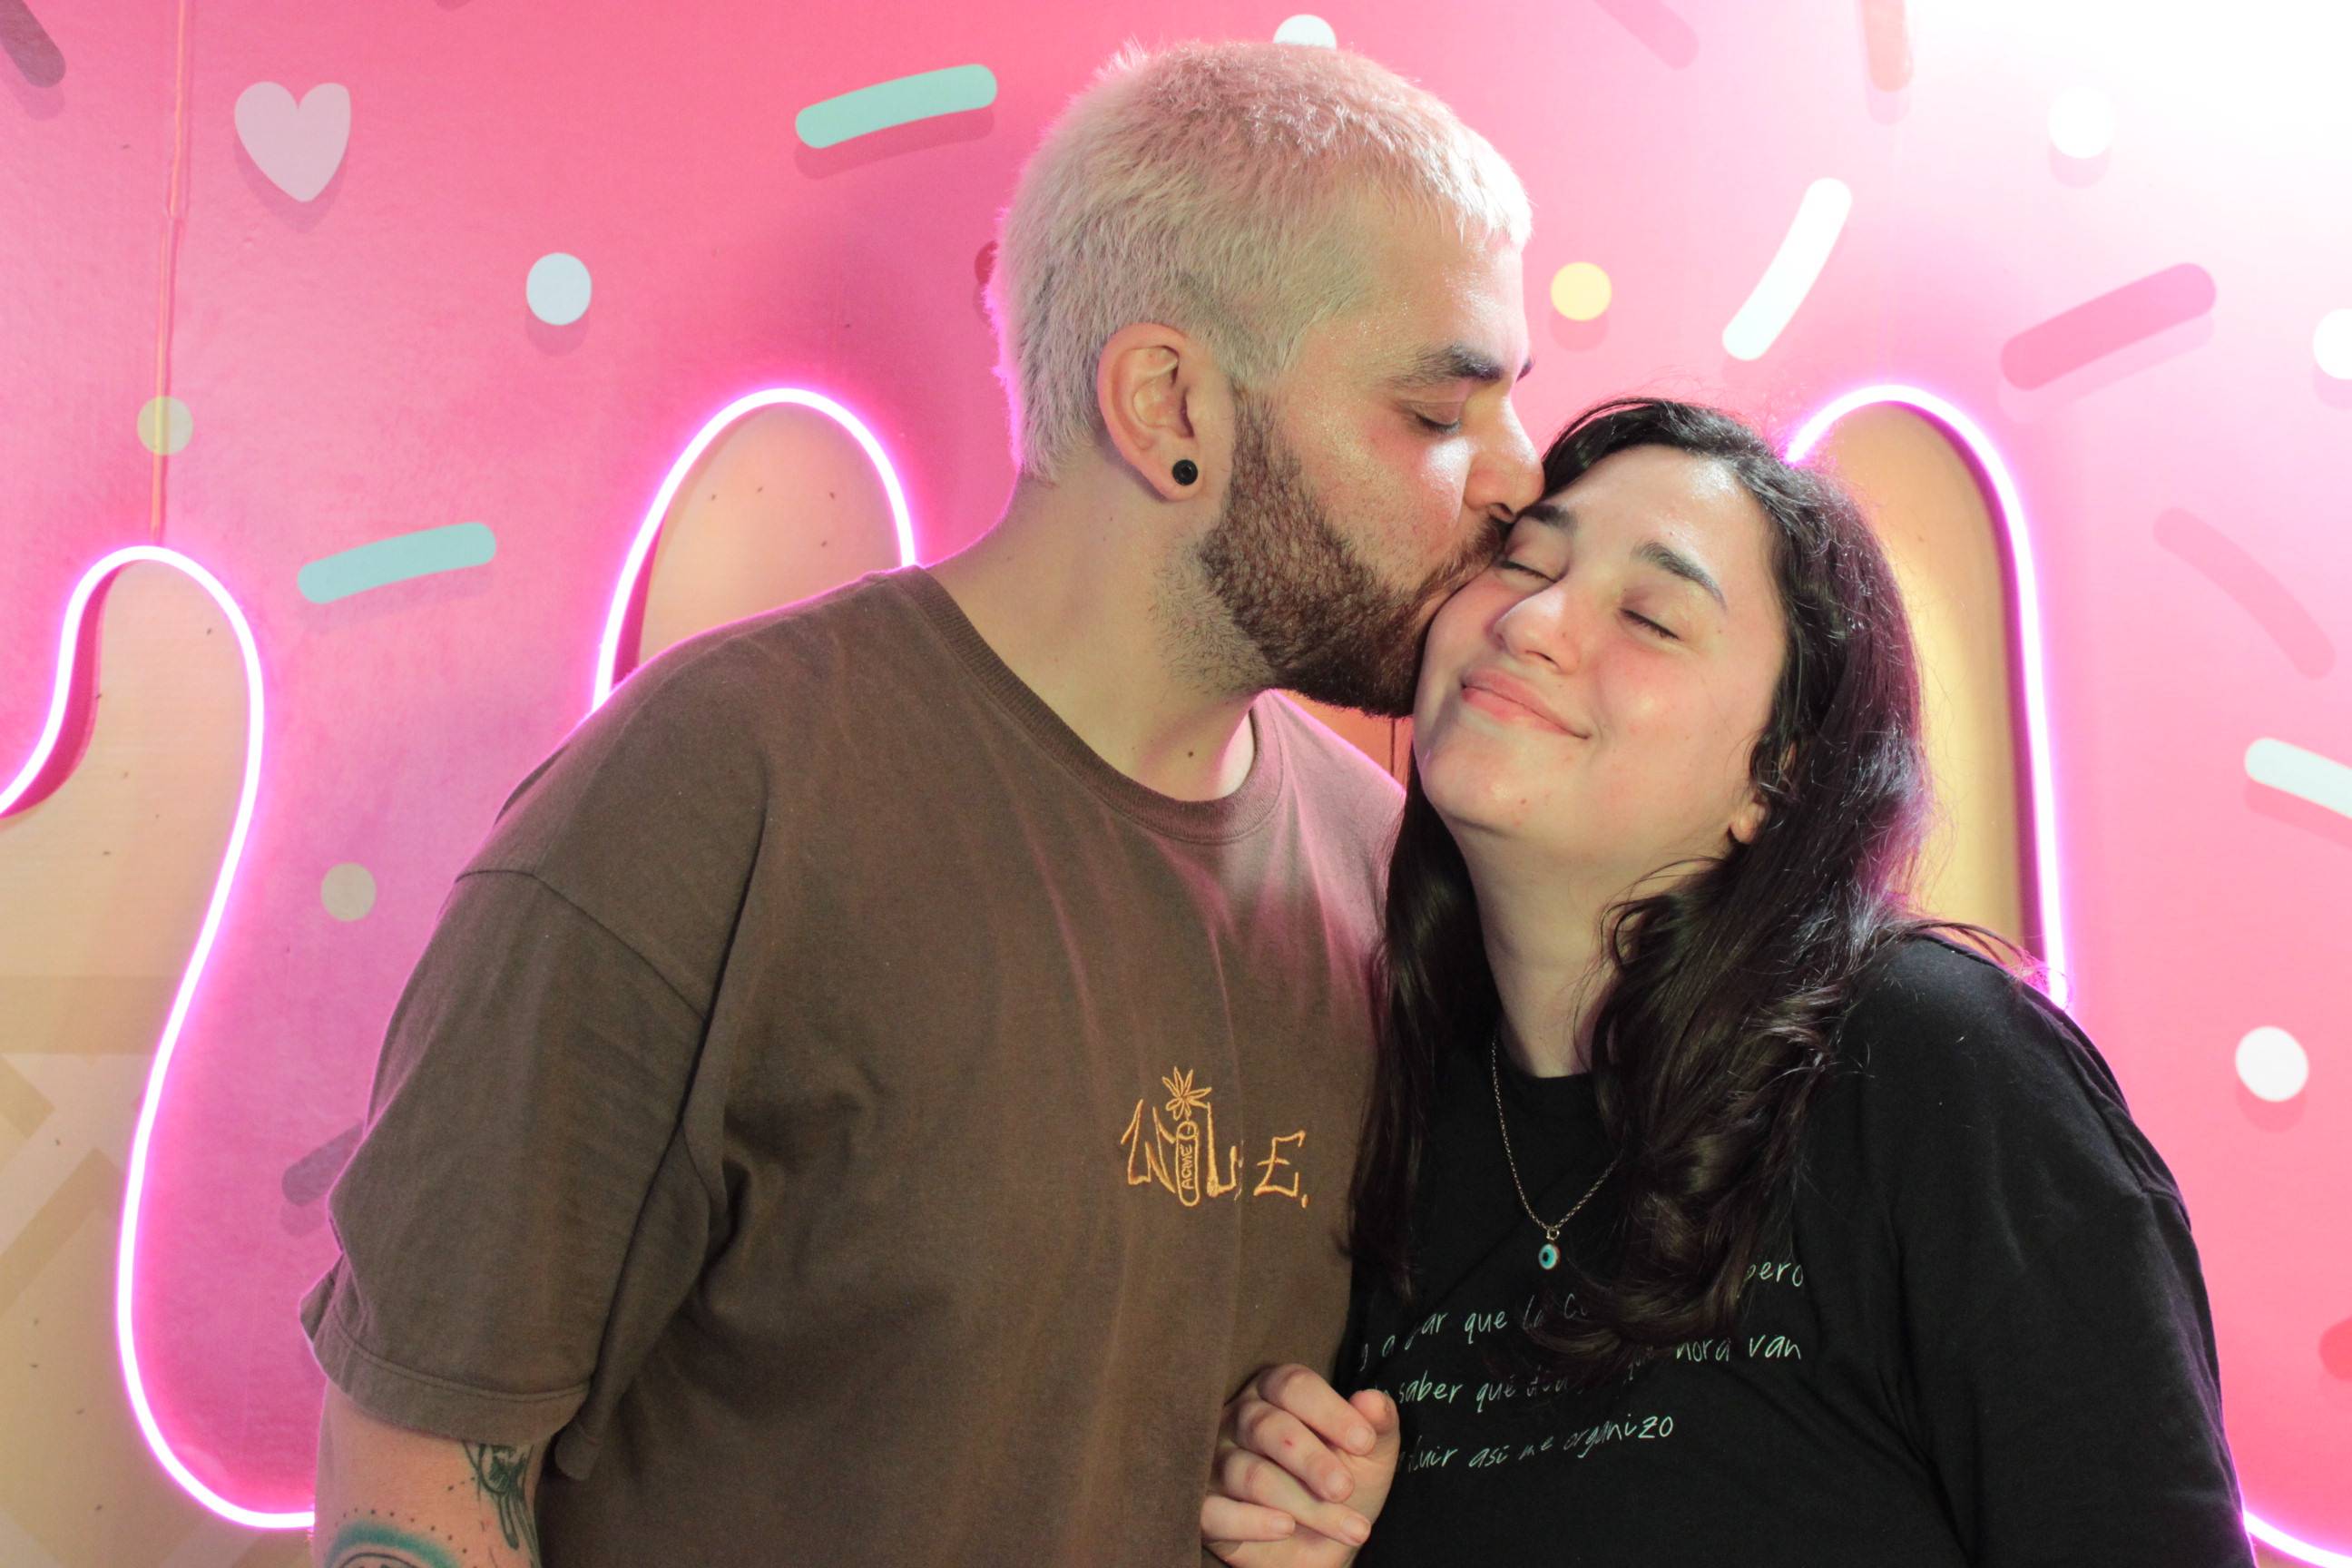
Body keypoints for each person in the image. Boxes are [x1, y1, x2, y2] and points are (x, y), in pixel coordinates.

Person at [300, 39, 1544, 1568]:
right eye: (1437, 413)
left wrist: (1328, 1491)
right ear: (1171, 406)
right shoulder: (717, 797)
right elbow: (423, 1458)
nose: (1517, 479)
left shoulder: (1385, 869)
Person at [1200, 398, 2252, 1567]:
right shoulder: (1387, 1114)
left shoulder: (1933, 1070)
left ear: (1778, 778)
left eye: (1651, 616)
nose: (1533, 622)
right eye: (1524, 562)